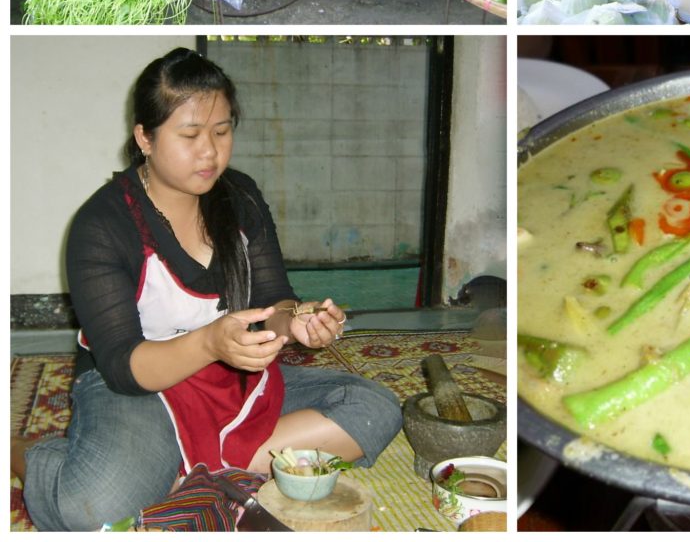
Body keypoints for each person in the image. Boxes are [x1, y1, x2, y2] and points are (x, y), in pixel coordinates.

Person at [13, 48, 402, 531]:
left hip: (230, 382)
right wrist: (208, 342)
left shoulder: (240, 197)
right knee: (92, 507)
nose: (210, 152)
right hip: (142, 388)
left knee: (376, 409)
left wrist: (296, 321)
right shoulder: (102, 224)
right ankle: (36, 456)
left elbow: (274, 299)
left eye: (222, 132)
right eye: (190, 135)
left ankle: (190, 463)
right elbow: (122, 366)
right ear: (145, 138)